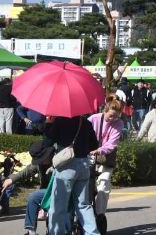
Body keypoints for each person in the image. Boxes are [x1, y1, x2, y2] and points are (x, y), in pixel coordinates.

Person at [45, 114, 100, 235]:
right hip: (84, 166)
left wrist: (48, 124)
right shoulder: (86, 122)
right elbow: (94, 145)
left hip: (66, 167)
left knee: (59, 207)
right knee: (84, 205)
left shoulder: (60, 121)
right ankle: (93, 233)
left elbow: (47, 142)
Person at [0, 137, 54, 235]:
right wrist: (11, 179)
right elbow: (27, 171)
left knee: (34, 197)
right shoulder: (40, 164)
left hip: (58, 190)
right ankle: (31, 231)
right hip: (47, 190)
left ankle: (50, 231)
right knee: (33, 199)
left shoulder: (57, 160)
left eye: (40, 159)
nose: (39, 162)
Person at [89, 96, 123, 225]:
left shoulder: (119, 123)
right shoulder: (93, 119)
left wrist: (100, 150)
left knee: (103, 186)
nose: (112, 119)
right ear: (105, 111)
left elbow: (112, 143)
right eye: (111, 116)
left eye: (116, 116)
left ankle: (100, 214)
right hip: (89, 157)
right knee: (85, 186)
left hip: (106, 159)